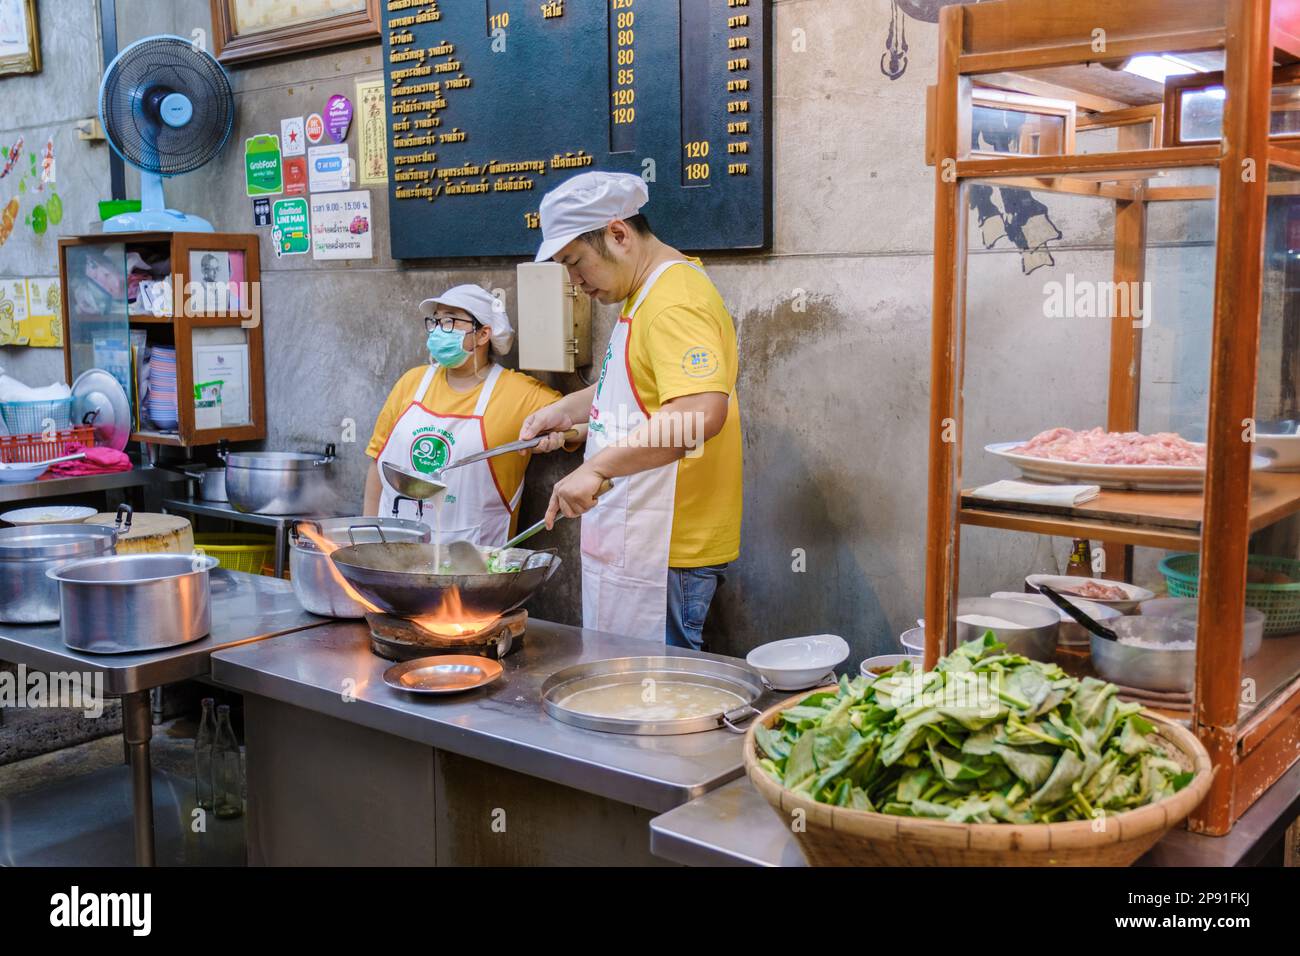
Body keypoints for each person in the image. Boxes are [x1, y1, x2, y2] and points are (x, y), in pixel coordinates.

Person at [520, 172, 743, 649]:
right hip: (643, 536)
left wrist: (597, 466)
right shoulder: (645, 293)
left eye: (576, 263)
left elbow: (698, 414)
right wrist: (569, 413)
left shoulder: (672, 302)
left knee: (658, 703)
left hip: (668, 544)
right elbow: (635, 387)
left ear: (618, 234)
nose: (575, 283)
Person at [364, 284, 569, 545]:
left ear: (483, 334)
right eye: (436, 321)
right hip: (392, 556)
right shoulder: (411, 382)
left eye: (450, 321)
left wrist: (561, 437)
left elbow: (591, 417)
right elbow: (377, 465)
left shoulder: (519, 393)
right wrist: (366, 540)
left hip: (473, 567)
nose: (439, 330)